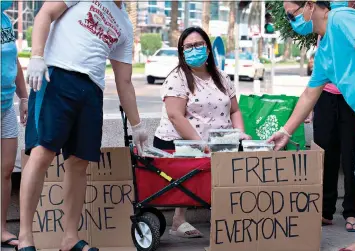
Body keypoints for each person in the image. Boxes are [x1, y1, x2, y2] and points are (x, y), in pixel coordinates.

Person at [18, 1, 148, 251]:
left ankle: (70, 238)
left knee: (79, 162)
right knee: (42, 153)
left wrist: (137, 124)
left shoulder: (125, 25)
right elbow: (45, 13)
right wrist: (36, 55)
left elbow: (125, 80)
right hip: (56, 75)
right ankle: (25, 237)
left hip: (91, 90)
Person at [269, 1, 355, 251]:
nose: (290, 20)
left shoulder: (340, 17)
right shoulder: (325, 51)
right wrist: (285, 131)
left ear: (308, 6)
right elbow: (310, 94)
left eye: (291, 13)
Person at [153, 26, 251, 238]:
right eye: (187, 47)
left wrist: (240, 132)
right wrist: (200, 144)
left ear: (208, 49)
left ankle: (226, 218)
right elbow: (175, 116)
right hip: (180, 142)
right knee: (192, 166)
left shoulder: (222, 77)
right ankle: (178, 220)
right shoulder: (177, 78)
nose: (193, 49)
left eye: (198, 45)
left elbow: (234, 110)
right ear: (181, 52)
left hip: (219, 142)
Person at [304, 0, 355, 232]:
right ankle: (324, 209)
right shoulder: (326, 28)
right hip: (327, 96)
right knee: (326, 152)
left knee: (353, 155)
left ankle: (352, 212)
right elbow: (317, 78)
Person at [1, 0, 28, 248]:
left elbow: (14, 59)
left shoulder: (6, 20)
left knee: (6, 169)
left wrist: (24, 97)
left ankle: (1, 229)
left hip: (6, 105)